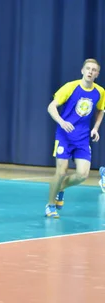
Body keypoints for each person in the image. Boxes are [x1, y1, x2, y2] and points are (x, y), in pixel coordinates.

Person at [45, 58, 104, 218]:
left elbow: (101, 110)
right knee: (61, 171)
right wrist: (62, 122)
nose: (90, 72)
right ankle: (50, 205)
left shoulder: (100, 92)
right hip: (64, 136)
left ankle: (60, 188)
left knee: (83, 175)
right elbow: (51, 107)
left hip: (82, 139)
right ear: (82, 70)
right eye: (88, 68)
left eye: (94, 70)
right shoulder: (70, 87)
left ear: (97, 74)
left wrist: (96, 128)